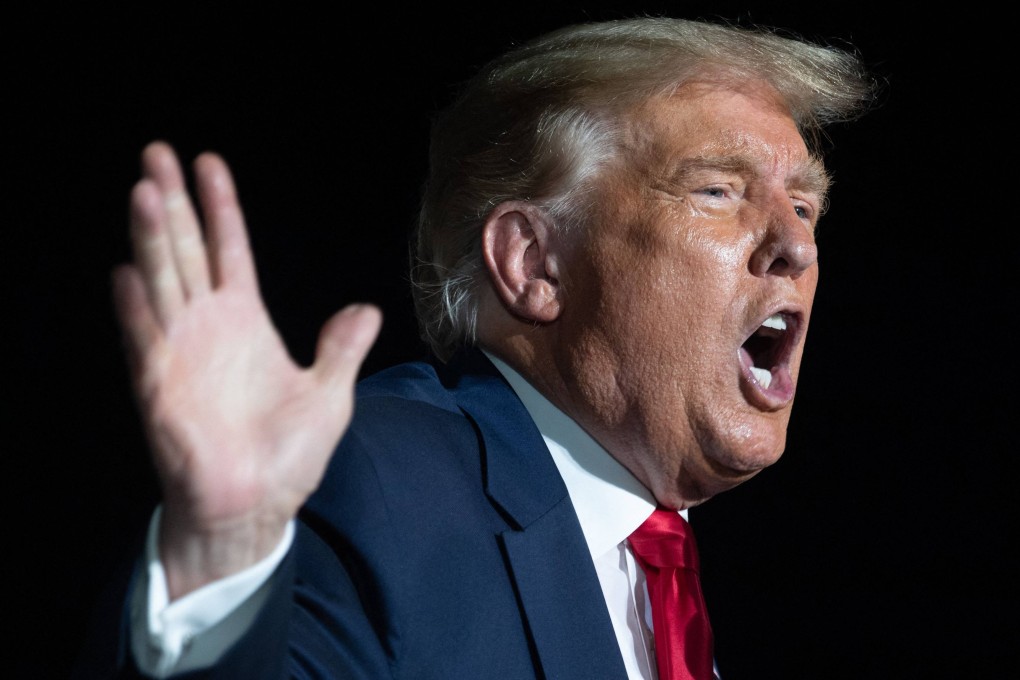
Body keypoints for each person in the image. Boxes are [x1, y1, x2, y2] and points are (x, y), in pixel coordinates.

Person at [75, 15, 876, 680]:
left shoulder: (666, 568)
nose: (796, 246)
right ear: (534, 264)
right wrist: (223, 555)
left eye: (805, 207)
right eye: (718, 190)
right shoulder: (375, 480)